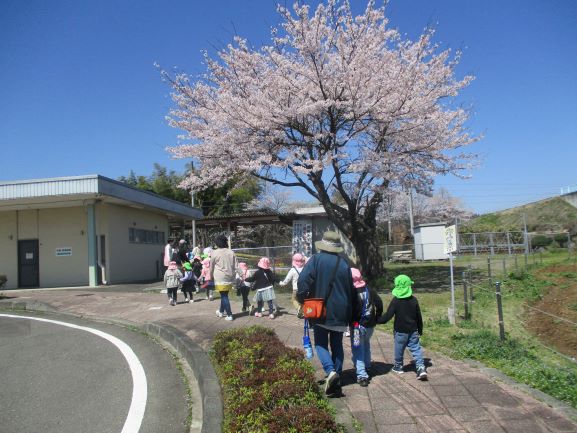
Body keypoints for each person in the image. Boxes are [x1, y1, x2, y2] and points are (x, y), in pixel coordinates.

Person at [297, 231, 357, 396]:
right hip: (342, 310)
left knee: (321, 344)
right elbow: (351, 290)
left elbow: (303, 281)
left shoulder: (316, 260)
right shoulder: (344, 263)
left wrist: (301, 298)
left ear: (323, 245)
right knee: (337, 345)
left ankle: (331, 372)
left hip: (321, 309)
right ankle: (336, 379)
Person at [377, 274, 427, 380]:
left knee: (399, 348)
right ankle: (421, 367)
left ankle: (398, 366)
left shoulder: (396, 301)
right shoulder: (414, 300)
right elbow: (419, 316)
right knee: (416, 348)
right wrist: (420, 329)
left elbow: (387, 316)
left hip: (400, 331)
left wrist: (376, 320)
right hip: (413, 330)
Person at [350, 268, 383, 387]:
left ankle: (361, 375)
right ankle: (367, 365)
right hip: (370, 325)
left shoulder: (352, 293)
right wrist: (377, 316)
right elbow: (379, 303)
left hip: (356, 327)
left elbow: (349, 311)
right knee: (366, 344)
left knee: (358, 348)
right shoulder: (369, 289)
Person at [210, 234, 237, 321]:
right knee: (224, 294)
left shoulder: (214, 253)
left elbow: (211, 267)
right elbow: (236, 265)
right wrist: (242, 274)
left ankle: (229, 314)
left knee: (224, 295)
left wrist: (210, 276)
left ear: (217, 243)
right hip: (229, 276)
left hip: (220, 277)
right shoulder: (231, 252)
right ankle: (221, 311)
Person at [279, 253, 306, 318]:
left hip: (296, 289)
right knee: (302, 301)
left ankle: (299, 308)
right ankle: (301, 312)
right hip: (304, 288)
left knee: (294, 300)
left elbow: (287, 279)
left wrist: (281, 283)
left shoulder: (293, 270)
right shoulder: (305, 268)